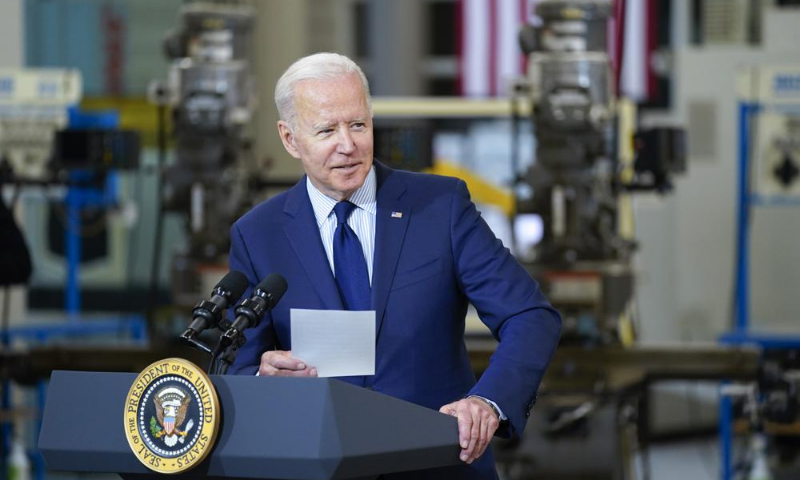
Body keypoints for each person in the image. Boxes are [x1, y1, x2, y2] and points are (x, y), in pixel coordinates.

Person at [228, 52, 561, 480]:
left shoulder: (440, 207)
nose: (347, 145)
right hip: (318, 466)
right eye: (327, 130)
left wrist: (487, 403)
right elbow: (239, 366)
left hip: (438, 464)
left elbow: (530, 316)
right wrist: (261, 378)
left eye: (358, 125)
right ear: (290, 139)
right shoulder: (258, 234)